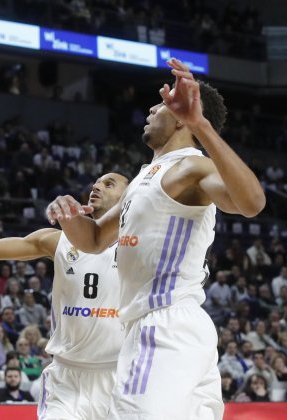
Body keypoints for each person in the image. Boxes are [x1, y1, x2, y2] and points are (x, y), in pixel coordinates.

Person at [45, 59, 266, 420]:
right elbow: (97, 238)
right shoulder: (144, 178)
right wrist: (68, 217)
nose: (151, 108)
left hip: (163, 325)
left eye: (161, 104)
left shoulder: (192, 166)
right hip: (163, 328)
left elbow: (252, 203)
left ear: (183, 117)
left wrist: (203, 127)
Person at [0, 173, 128, 418]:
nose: (97, 186)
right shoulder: (59, 241)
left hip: (118, 374)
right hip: (67, 377)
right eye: (95, 183)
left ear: (129, 195)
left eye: (108, 184)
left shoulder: (140, 243)